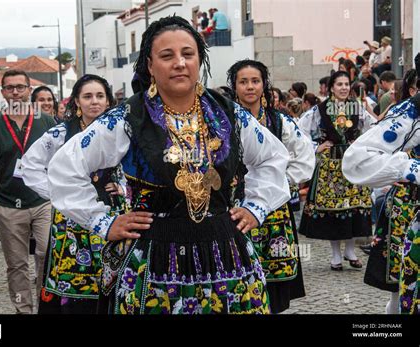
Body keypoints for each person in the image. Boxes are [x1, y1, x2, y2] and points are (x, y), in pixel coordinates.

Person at [48, 16, 291, 314]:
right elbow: (64, 168)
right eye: (167, 56)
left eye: (188, 54)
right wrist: (104, 221)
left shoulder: (227, 112)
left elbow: (273, 156)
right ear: (150, 65)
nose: (179, 63)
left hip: (227, 252)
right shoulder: (127, 118)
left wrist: (256, 206)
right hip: (155, 254)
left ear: (199, 60)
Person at [22, 75, 126, 314]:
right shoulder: (60, 133)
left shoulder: (120, 132)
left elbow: (134, 168)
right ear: (77, 102)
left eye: (100, 96)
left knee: (112, 278)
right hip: (72, 219)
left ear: (108, 101)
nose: (94, 102)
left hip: (110, 213)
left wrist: (122, 187)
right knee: (73, 283)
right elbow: (29, 165)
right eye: (87, 96)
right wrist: (59, 191)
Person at [227, 59, 315, 313]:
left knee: (274, 274)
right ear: (235, 86)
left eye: (255, 81)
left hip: (274, 209)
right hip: (236, 206)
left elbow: (304, 155)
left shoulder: (280, 121)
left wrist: (282, 182)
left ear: (264, 84)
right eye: (243, 82)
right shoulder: (223, 121)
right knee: (239, 274)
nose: (250, 87)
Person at [0, 69, 56, 314]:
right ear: (3, 93)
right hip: (9, 204)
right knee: (17, 264)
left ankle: (45, 307)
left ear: (29, 90)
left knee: (45, 254)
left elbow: (59, 158)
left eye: (20, 87)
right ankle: (23, 309)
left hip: (43, 200)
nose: (15, 92)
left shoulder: (46, 121)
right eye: (10, 88)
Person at [342, 93, 420, 315]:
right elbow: (357, 159)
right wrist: (410, 169)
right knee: (402, 283)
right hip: (409, 201)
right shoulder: (411, 112)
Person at [298, 70, 377, 271]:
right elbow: (299, 130)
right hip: (330, 166)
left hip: (352, 164)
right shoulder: (320, 110)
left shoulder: (357, 108)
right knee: (333, 211)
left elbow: (374, 127)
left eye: (346, 84)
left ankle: (350, 251)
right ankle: (335, 255)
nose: (343, 88)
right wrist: (316, 147)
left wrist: (362, 145)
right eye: (339, 84)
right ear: (331, 87)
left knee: (352, 207)